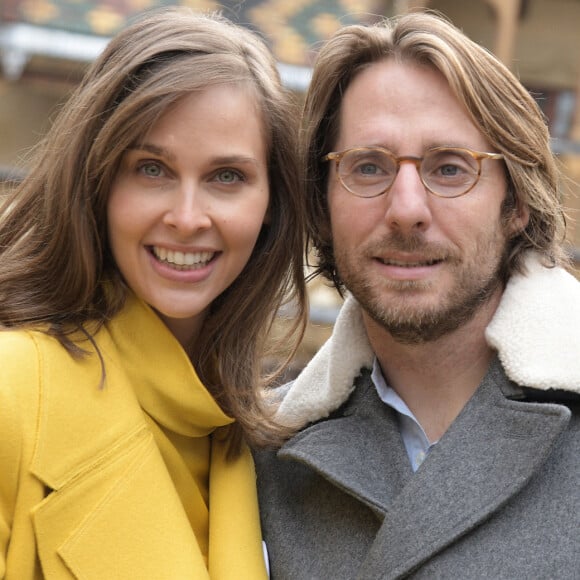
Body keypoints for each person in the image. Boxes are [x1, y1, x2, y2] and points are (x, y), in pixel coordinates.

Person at [255, 10, 580, 579]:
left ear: (517, 203)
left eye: (451, 169)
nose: (406, 209)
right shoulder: (263, 456)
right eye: (368, 167)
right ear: (323, 204)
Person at [0, 7, 307, 579]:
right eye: (151, 169)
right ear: (96, 183)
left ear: (273, 206)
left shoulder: (258, 443)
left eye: (226, 177)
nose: (188, 218)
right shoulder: (11, 391)